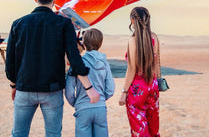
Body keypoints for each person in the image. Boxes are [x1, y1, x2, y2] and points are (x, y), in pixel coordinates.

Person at [5, 0, 100, 137]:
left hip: (24, 87)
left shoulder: (18, 24)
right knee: (53, 133)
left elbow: (10, 60)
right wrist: (89, 88)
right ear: (54, 0)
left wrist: (13, 84)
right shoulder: (63, 23)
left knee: (19, 133)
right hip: (52, 90)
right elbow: (74, 59)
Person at [118, 7, 160, 136]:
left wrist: (124, 92)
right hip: (152, 85)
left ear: (132, 20)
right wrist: (157, 82)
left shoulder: (133, 41)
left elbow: (131, 69)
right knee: (153, 125)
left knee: (139, 126)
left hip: (137, 88)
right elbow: (156, 64)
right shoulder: (154, 38)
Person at [65, 28, 115, 136]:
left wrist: (76, 103)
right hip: (100, 108)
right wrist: (101, 98)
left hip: (83, 108)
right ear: (100, 43)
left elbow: (69, 90)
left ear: (84, 43)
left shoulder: (78, 64)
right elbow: (110, 88)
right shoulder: (105, 63)